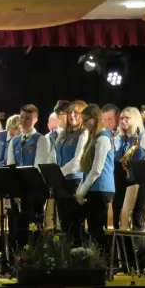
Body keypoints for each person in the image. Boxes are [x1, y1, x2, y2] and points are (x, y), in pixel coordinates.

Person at [76, 105, 115, 251]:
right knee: (92, 228)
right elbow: (86, 169)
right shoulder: (94, 138)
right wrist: (81, 188)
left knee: (98, 229)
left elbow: (97, 169)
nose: (84, 124)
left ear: (96, 118)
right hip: (94, 189)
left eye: (86, 120)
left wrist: (81, 191)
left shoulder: (103, 138)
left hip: (102, 188)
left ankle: (102, 263)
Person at [7, 104, 46, 249]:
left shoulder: (40, 140)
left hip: (34, 191)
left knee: (33, 226)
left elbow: (37, 167)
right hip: (17, 190)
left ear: (35, 119)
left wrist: (24, 188)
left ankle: (34, 257)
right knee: (18, 226)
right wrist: (16, 190)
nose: (23, 121)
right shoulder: (14, 141)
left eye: (28, 118)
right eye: (22, 117)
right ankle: (19, 258)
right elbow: (11, 166)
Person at [54, 100, 89, 244]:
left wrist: (57, 173)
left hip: (75, 183)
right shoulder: (63, 133)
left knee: (75, 225)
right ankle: (67, 258)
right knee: (64, 224)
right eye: (70, 112)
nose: (72, 115)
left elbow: (77, 162)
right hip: (61, 183)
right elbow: (54, 155)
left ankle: (79, 257)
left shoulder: (84, 132)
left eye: (77, 112)